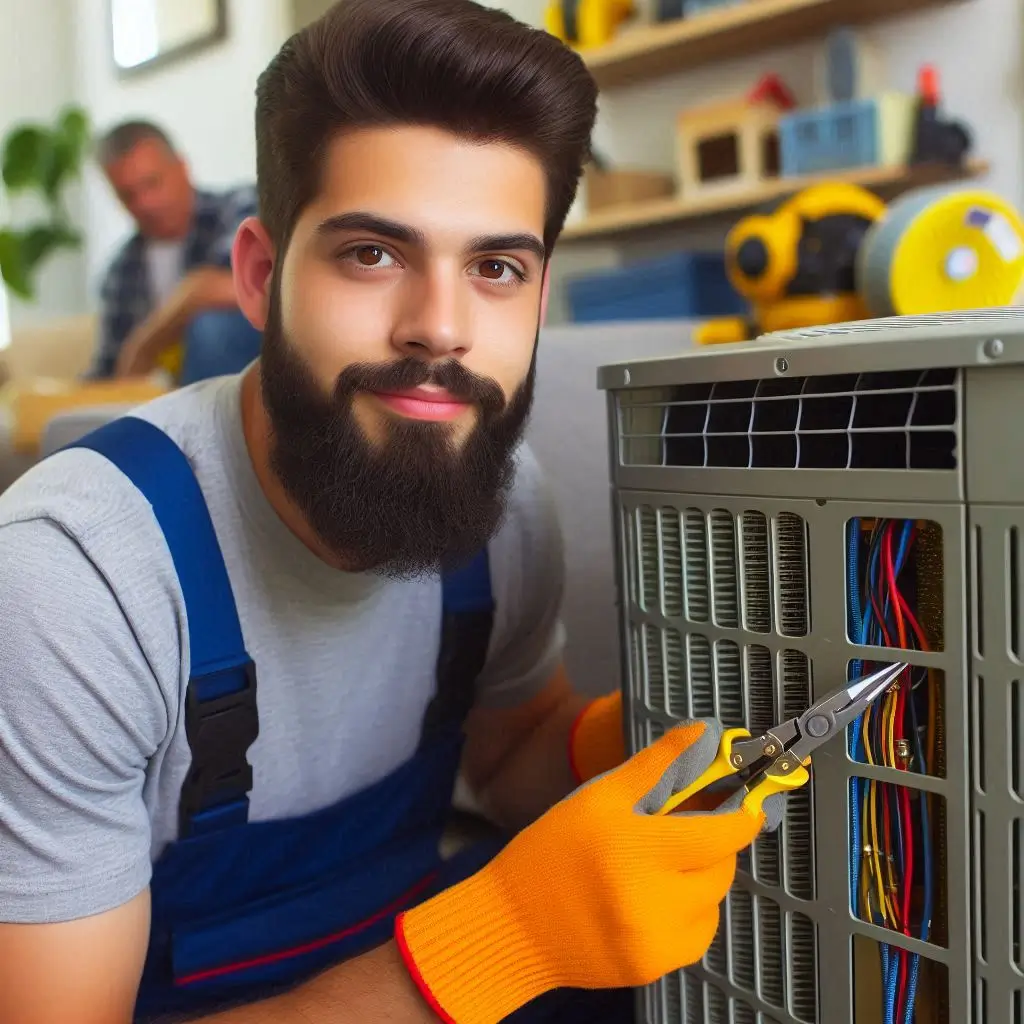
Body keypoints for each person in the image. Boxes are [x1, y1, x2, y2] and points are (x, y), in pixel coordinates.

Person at [0, 1, 778, 1022]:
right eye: (372, 253)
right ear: (260, 277)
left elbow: (507, 750)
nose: (439, 329)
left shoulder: (504, 504)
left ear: (539, 297)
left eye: (495, 268)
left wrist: (619, 748)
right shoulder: (68, 586)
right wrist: (497, 942)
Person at [86, 119, 263, 384]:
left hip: (249, 372)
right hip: (163, 397)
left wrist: (144, 346)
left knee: (212, 327)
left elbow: (254, 287)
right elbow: (113, 372)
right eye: (128, 195)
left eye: (152, 183)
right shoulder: (120, 273)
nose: (145, 204)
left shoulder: (240, 207)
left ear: (182, 167)